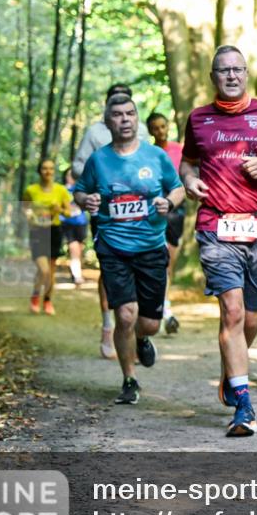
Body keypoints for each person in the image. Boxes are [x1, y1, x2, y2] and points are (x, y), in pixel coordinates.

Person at [180, 44, 257, 436]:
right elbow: (188, 161)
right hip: (216, 226)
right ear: (213, 77)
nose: (231, 76)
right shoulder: (198, 119)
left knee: (249, 319)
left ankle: (230, 371)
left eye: (237, 70)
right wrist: (188, 180)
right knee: (231, 313)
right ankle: (244, 406)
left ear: (246, 73)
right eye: (223, 71)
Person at [73, 93, 184, 405]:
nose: (124, 119)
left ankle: (143, 338)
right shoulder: (99, 160)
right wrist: (88, 200)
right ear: (108, 122)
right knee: (125, 314)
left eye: (130, 114)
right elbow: (80, 191)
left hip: (150, 246)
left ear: (137, 120)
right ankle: (129, 379)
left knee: (147, 322)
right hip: (113, 247)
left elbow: (177, 189)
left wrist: (168, 202)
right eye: (118, 115)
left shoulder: (155, 157)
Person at [72, 83, 151, 359]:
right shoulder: (94, 133)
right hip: (107, 212)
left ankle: (136, 327)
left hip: (141, 214)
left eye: (128, 106)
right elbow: (78, 167)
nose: (124, 117)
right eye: (117, 109)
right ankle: (109, 326)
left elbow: (150, 165)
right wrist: (98, 179)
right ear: (108, 111)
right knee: (110, 269)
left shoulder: (141, 132)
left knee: (143, 265)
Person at [147, 112, 185, 335]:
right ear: (150, 130)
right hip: (153, 212)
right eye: (155, 128)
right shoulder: (147, 153)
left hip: (176, 212)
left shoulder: (180, 150)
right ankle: (163, 311)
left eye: (163, 126)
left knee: (168, 263)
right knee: (157, 263)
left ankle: (164, 308)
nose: (160, 131)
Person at [22, 159, 71, 315]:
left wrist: (60, 209)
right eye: (44, 168)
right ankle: (36, 296)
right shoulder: (31, 190)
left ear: (54, 171)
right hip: (37, 231)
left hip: (54, 230)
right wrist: (30, 216)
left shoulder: (61, 190)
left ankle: (47, 301)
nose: (48, 171)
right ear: (39, 170)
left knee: (50, 270)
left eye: (51, 168)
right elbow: (25, 208)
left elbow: (69, 212)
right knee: (43, 270)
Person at [60, 169, 89, 286]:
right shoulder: (62, 190)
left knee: (79, 250)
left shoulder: (81, 188)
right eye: (69, 174)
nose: (71, 177)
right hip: (67, 223)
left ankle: (75, 272)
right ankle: (77, 276)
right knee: (74, 248)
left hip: (81, 223)